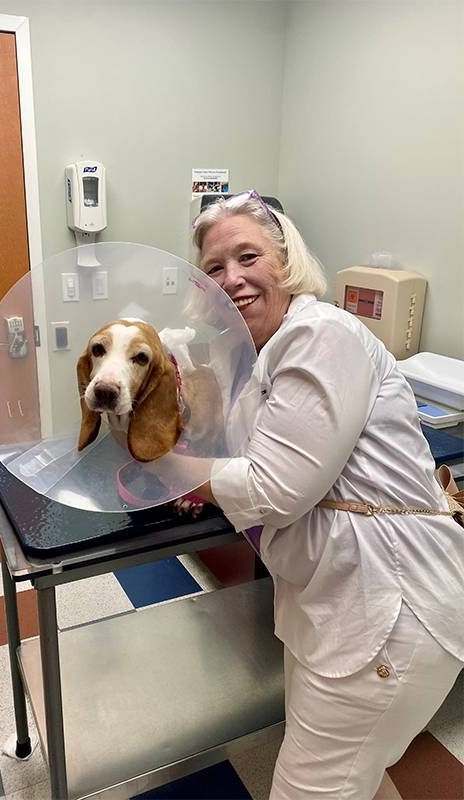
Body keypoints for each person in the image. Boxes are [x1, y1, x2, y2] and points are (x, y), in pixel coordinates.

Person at [187, 191, 464, 800]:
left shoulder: (319, 335)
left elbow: (272, 486)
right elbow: (255, 450)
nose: (231, 278)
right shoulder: (261, 353)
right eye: (213, 267)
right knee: (354, 778)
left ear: (285, 261)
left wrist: (177, 474)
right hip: (341, 604)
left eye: (247, 256)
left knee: (314, 785)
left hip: (385, 608)